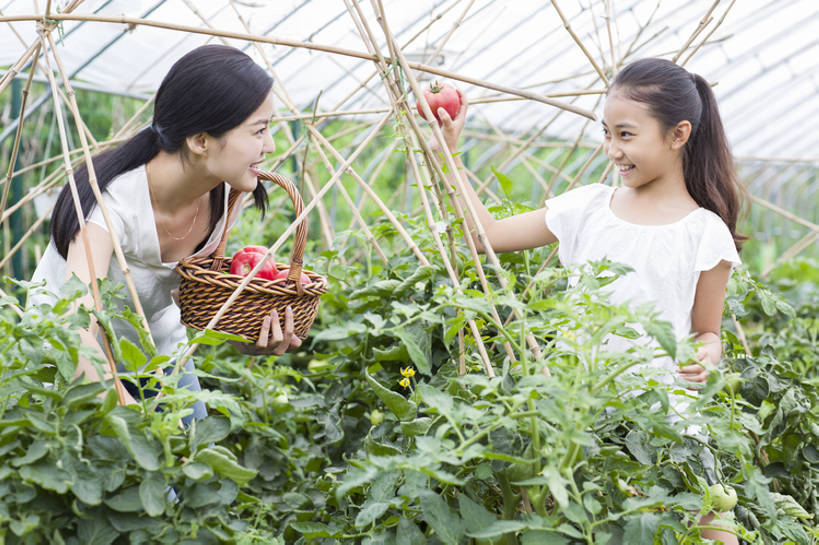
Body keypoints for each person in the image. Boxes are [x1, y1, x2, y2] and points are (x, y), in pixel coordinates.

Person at [432, 58, 744, 544]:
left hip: (665, 423)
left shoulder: (704, 233)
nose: (612, 150)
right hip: (580, 417)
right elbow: (484, 236)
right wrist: (449, 154)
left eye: (625, 135)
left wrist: (707, 354)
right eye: (607, 133)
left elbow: (709, 331)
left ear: (678, 134)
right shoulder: (588, 207)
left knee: (711, 531)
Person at [29, 44, 302, 420]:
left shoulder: (228, 192)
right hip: (66, 357)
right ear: (200, 141)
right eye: (259, 131)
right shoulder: (108, 205)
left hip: (157, 353)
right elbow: (74, 332)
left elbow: (194, 299)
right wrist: (131, 424)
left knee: (193, 469)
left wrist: (247, 335)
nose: (269, 146)